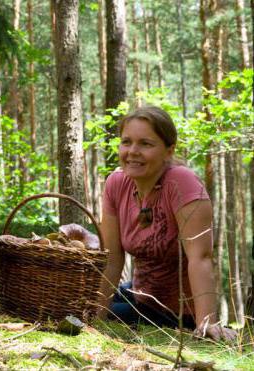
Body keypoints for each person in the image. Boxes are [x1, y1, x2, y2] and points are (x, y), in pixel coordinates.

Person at [98, 106, 237, 341]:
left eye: (145, 144)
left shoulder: (182, 183)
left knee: (111, 314)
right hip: (139, 294)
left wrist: (206, 323)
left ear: (168, 150)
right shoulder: (116, 183)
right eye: (126, 142)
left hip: (176, 311)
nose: (132, 151)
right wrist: (94, 315)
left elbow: (200, 257)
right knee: (73, 305)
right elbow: (112, 259)